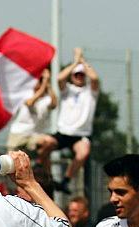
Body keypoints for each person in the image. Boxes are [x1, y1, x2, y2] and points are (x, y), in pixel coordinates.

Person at [39, 47, 100, 190]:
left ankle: (66, 180)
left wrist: (82, 60)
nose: (79, 77)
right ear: (72, 76)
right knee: (44, 145)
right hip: (63, 132)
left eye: (81, 75)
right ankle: (49, 177)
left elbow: (95, 78)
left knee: (83, 152)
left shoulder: (91, 92)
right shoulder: (68, 90)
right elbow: (60, 78)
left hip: (81, 134)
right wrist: (75, 62)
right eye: (76, 75)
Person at [6, 69, 57, 155]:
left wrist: (48, 84)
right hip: (18, 134)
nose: (40, 83)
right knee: (12, 161)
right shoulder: (25, 94)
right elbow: (30, 103)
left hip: (33, 135)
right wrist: (44, 84)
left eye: (41, 80)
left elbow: (54, 104)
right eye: (39, 80)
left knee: (50, 142)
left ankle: (40, 161)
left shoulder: (46, 98)